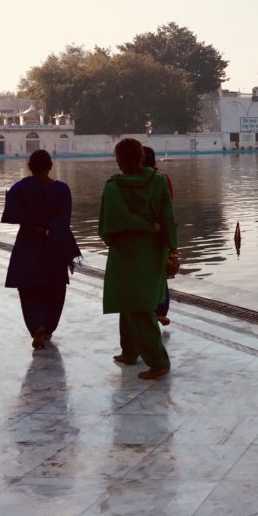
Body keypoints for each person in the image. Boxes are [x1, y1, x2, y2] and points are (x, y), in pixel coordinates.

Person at [99, 138, 179, 380]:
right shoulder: (157, 182)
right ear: (141, 158)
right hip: (152, 251)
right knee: (132, 304)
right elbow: (167, 217)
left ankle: (158, 362)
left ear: (118, 160)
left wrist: (134, 228)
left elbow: (108, 225)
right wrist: (172, 248)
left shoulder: (113, 187)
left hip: (126, 251)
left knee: (137, 308)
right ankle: (130, 351)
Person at [1, 149, 81, 350]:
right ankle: (49, 328)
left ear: (29, 167)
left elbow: (12, 213)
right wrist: (49, 228)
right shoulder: (62, 190)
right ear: (50, 166)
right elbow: (65, 218)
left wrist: (34, 226)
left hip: (28, 243)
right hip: (54, 244)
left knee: (29, 289)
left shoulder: (19, 188)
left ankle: (37, 326)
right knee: (55, 288)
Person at [143, 145, 174, 325]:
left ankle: (150, 310)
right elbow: (169, 208)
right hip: (159, 234)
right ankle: (160, 310)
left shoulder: (124, 181)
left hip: (140, 236)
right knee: (160, 275)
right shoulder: (162, 179)